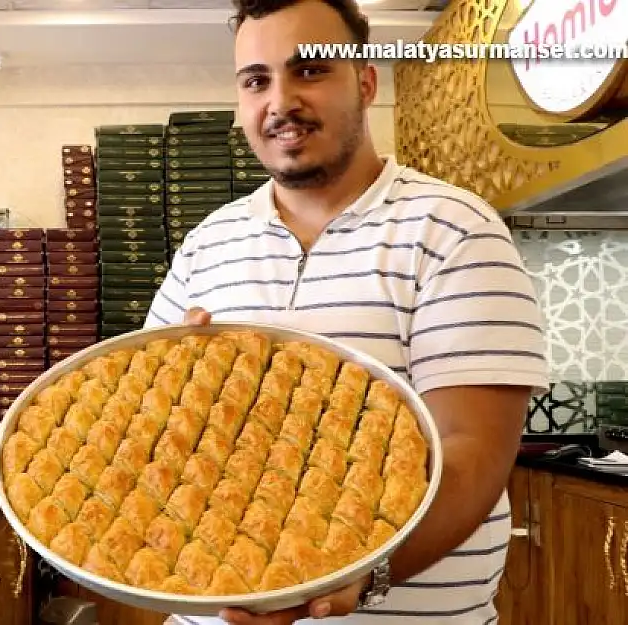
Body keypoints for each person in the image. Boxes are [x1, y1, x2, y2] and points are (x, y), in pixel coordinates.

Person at [147, 1, 549, 624]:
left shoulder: (454, 230)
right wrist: (168, 393)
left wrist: (358, 576)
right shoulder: (207, 244)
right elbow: (154, 436)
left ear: (366, 82)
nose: (280, 102)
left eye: (309, 70)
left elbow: (471, 450)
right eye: (257, 80)